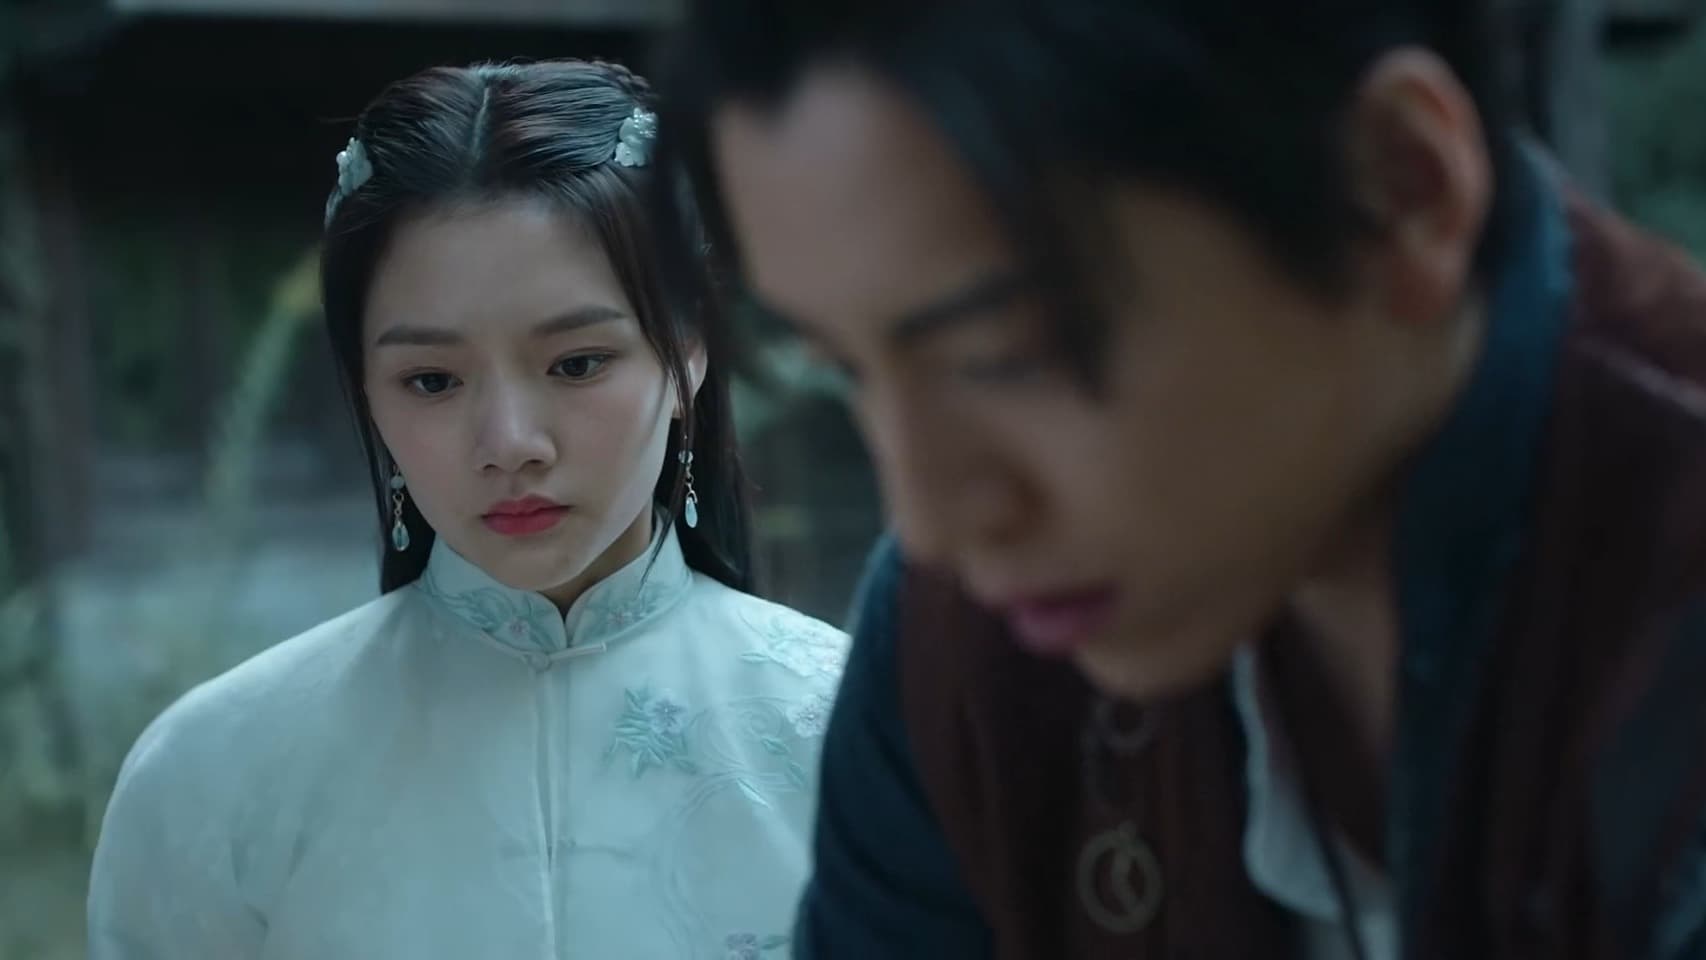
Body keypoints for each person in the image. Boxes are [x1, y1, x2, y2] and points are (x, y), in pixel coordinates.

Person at [651, 3, 1706, 958]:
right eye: (844, 370)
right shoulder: (965, 651)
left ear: (1397, 186)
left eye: (1003, 353)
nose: (930, 524)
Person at [88, 59, 847, 959]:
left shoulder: (851, 736)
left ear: (686, 352)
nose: (510, 443)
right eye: (432, 380)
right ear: (364, 388)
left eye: (576, 363)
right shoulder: (217, 769)